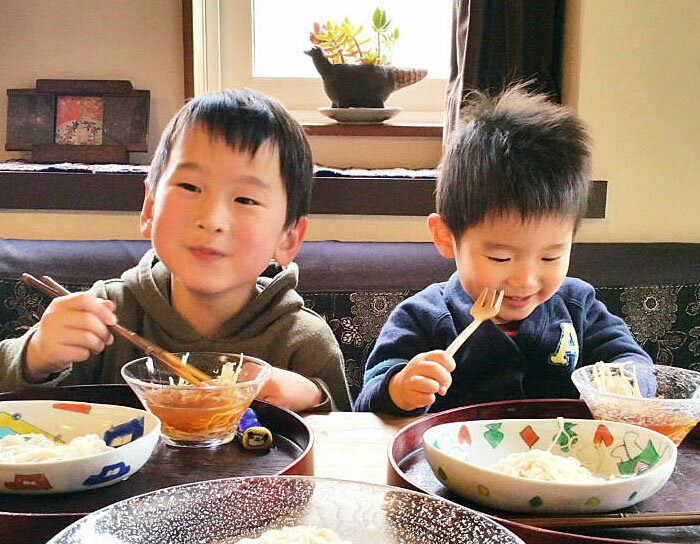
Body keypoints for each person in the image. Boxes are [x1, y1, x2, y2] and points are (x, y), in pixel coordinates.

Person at [0, 89, 352, 412]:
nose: (212, 219)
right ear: (150, 209)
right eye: (189, 186)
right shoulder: (105, 316)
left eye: (245, 199)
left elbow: (348, 449)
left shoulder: (303, 340)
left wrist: (314, 397)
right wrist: (36, 356)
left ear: (288, 238)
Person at [355, 84, 650, 415]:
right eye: (501, 257)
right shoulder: (423, 318)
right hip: (454, 465)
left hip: (565, 463)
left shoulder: (577, 306)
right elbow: (367, 404)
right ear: (444, 236)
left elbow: (632, 361)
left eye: (550, 256)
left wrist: (626, 382)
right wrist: (399, 389)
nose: (525, 280)